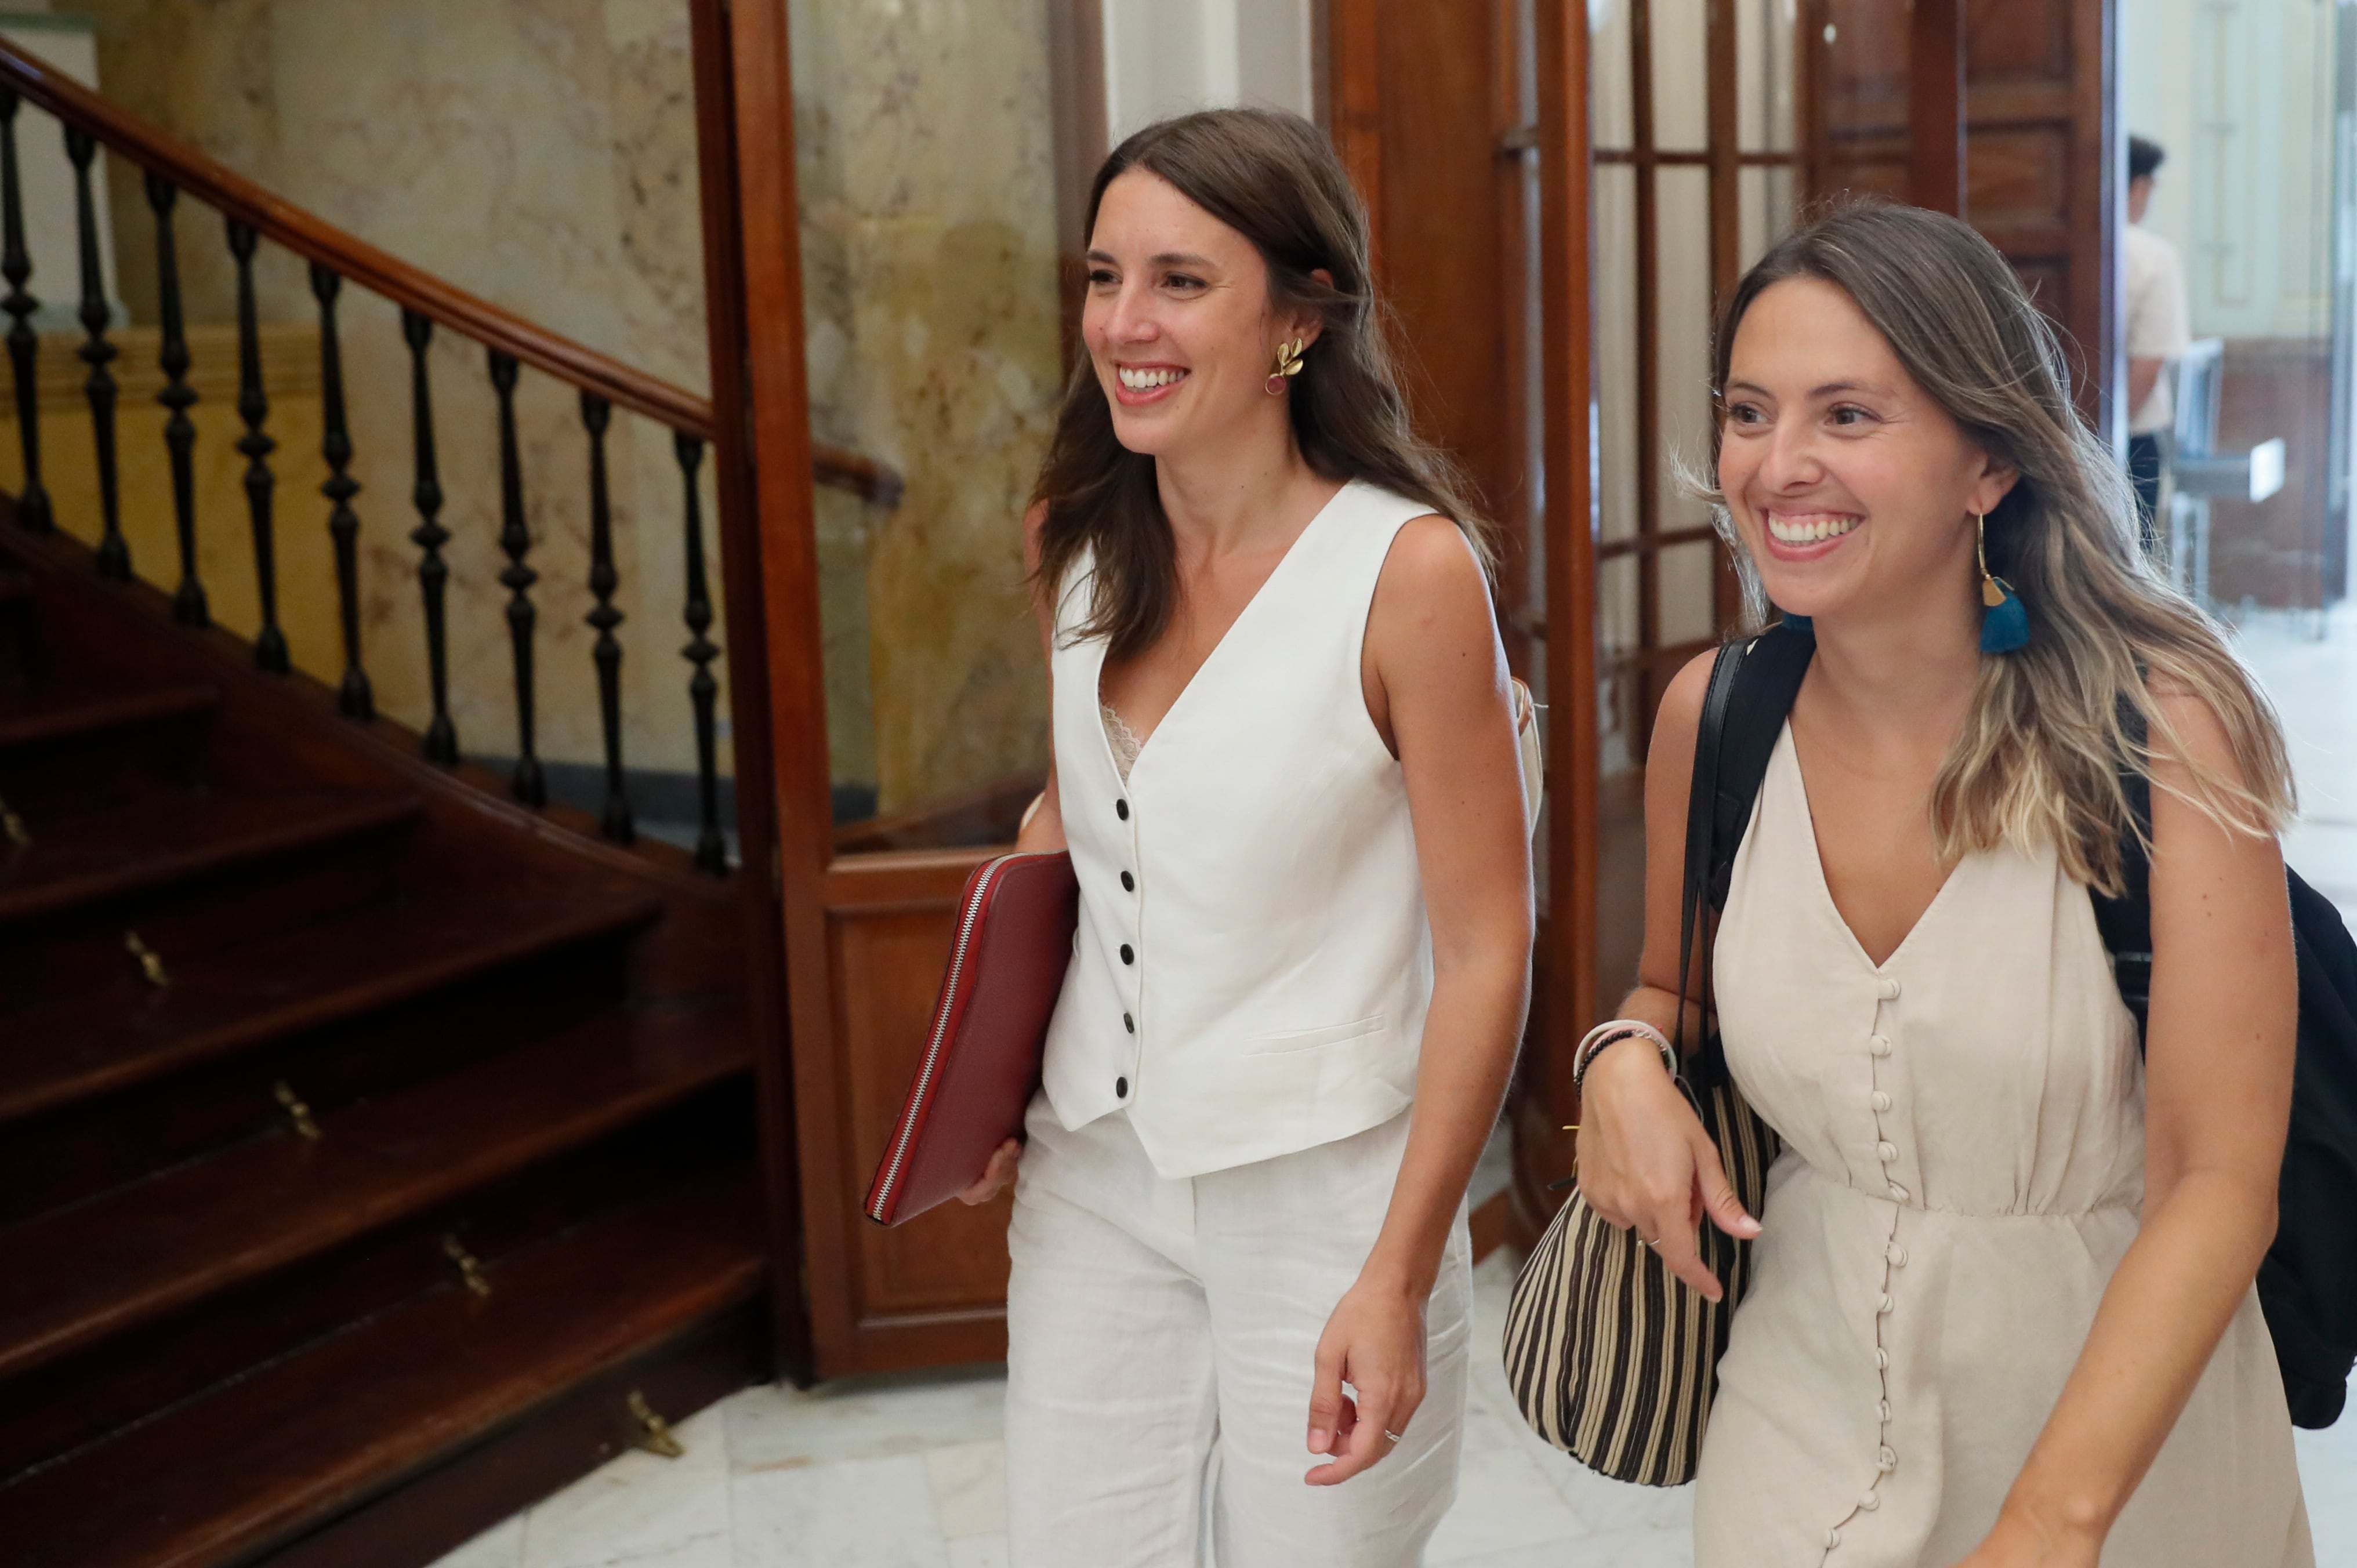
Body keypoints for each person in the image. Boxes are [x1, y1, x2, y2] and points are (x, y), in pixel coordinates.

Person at [1574, 201, 2310, 1566]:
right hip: (1794, 1421)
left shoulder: (2160, 732)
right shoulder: (1716, 716)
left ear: (1985, 463)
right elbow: (1669, 989)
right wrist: (1618, 1057)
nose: (1776, 465)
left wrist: (2051, 1519)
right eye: (1748, 411)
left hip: (2111, 1450)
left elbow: (2219, 1179)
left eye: (1846, 416)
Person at [953, 108, 1534, 1567]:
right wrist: (985, 1070)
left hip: (1330, 1195)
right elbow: (1083, 818)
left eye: (1178, 282)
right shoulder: (1071, 538)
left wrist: (1401, 1271)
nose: (1123, 324)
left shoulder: (1403, 574)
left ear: (1295, 317)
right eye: (1102, 277)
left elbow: (1483, 948)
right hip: (1093, 1170)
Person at [2125, 134, 2191, 548]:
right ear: (2139, 186)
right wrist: (2100, 442)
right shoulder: (2152, 256)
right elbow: (2148, 365)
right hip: (2129, 441)